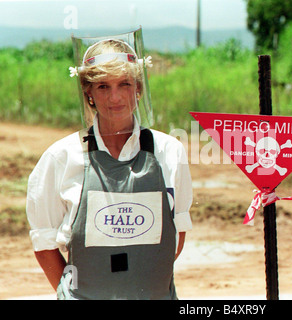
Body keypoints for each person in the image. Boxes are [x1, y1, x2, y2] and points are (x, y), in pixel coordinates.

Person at [26, 30, 193, 300]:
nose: (115, 98)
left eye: (125, 84)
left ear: (139, 89)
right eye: (103, 86)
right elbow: (44, 243)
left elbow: (178, 231)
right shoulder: (61, 157)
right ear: (88, 92)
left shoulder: (169, 151)